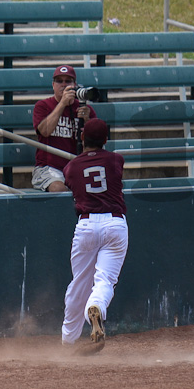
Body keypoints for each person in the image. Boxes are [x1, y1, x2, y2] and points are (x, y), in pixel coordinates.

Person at [60, 118, 128, 354]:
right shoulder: (116, 159)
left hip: (87, 225)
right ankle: (96, 306)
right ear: (106, 140)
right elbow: (112, 168)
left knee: (79, 283)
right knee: (105, 281)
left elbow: (71, 180)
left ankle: (68, 341)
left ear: (81, 138)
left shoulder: (70, 167)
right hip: (114, 224)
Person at [32, 65, 96, 192]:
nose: (63, 84)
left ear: (74, 84)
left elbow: (96, 143)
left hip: (78, 166)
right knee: (58, 188)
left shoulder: (85, 109)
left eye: (68, 81)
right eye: (59, 81)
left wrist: (88, 121)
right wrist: (62, 103)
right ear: (53, 85)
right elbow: (44, 131)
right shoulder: (42, 106)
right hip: (49, 167)